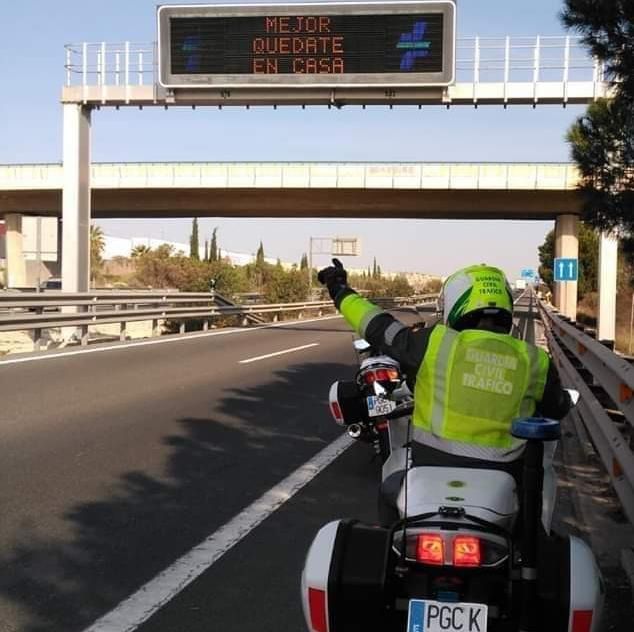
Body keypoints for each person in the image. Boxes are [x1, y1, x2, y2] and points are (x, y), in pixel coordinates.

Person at [318, 259, 571, 485]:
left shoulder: (435, 343)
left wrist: (339, 290)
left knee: (390, 496)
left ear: (457, 302)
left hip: (430, 469)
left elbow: (376, 325)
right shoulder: (534, 360)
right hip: (505, 477)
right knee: (536, 515)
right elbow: (557, 408)